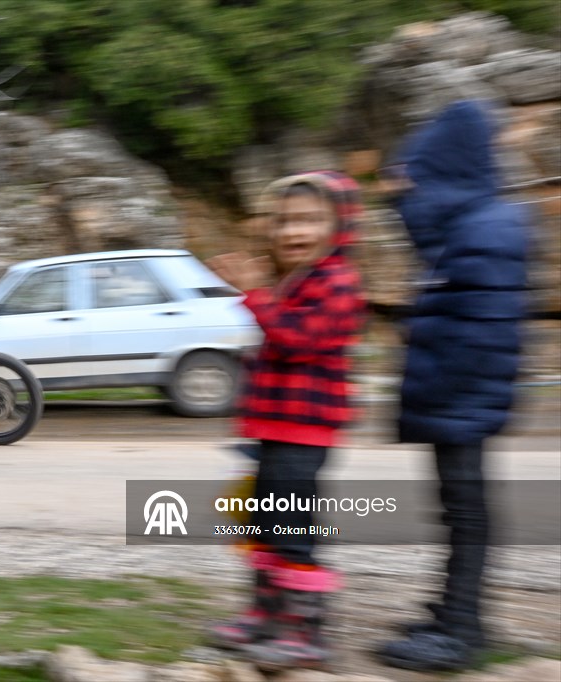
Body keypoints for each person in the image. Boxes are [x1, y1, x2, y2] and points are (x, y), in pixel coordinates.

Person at [375, 100, 528, 672]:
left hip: (462, 399)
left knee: (465, 513)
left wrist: (440, 390)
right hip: (458, 397)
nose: (405, 192)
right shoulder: (470, 226)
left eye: (416, 178)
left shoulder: (487, 228)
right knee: (458, 511)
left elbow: (483, 328)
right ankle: (454, 617)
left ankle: (461, 632)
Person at [203, 171, 366, 670]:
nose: (294, 231)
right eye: (285, 221)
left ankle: (305, 633)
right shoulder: (299, 281)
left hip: (303, 433)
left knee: (292, 528)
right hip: (274, 429)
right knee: (263, 523)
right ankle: (265, 614)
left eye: (310, 220)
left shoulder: (338, 282)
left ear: (339, 226)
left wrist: (256, 294)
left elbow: (297, 340)